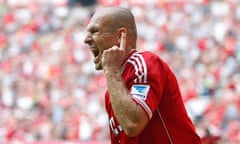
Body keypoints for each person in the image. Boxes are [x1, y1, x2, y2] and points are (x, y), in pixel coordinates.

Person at [84, 6, 201, 144]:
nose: (86, 39)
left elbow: (133, 124)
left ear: (119, 36)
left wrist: (112, 70)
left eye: (95, 31)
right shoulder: (112, 91)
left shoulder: (145, 63)